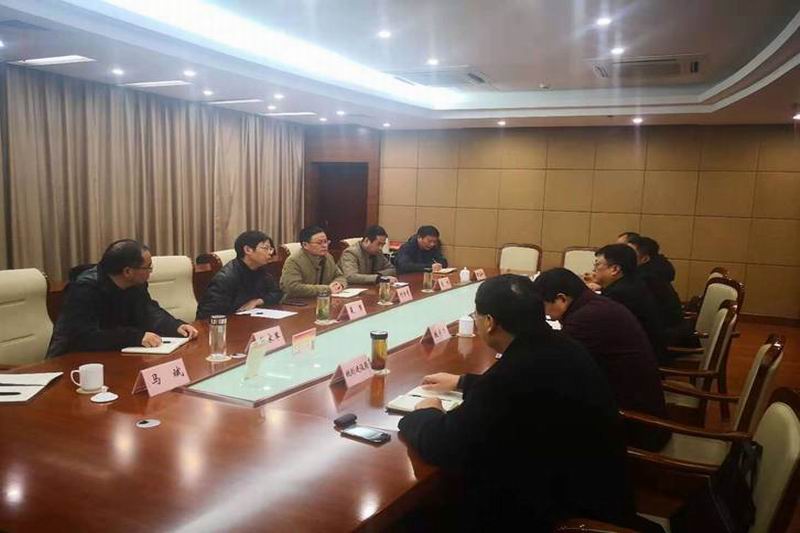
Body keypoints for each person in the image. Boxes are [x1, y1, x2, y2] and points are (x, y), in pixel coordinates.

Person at [399, 274, 638, 531]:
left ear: (489, 322)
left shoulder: (511, 375)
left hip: (559, 514)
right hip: (595, 489)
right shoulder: (560, 346)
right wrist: (463, 382)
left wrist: (426, 413)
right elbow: (526, 393)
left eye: (477, 315)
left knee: (414, 518)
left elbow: (445, 445)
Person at [532, 268, 670, 451]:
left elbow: (552, 366)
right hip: (635, 408)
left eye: (543, 306)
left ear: (561, 299)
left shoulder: (586, 318)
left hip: (633, 425)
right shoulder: (595, 305)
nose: (544, 314)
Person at [46, 239, 198, 357]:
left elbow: (148, 310)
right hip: (74, 361)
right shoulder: (85, 289)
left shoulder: (136, 284)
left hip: (115, 355)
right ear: (127, 272)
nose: (151, 271)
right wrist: (135, 337)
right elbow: (84, 336)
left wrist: (175, 326)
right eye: (148, 267)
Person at [593, 244, 667, 361]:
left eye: (597, 264)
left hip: (636, 360)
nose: (594, 269)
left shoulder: (620, 294)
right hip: (642, 353)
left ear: (615, 269)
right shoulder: (630, 284)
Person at [196, 230, 283, 319]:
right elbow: (207, 316)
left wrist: (258, 301)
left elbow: (277, 294)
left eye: (270, 249)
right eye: (265, 248)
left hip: (251, 321)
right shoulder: (225, 278)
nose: (270, 253)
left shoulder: (261, 270)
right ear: (248, 250)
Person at [279, 225, 347, 298]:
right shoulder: (293, 261)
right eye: (319, 243)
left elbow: (339, 276)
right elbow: (293, 288)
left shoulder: (328, 257)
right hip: (298, 301)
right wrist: (326, 289)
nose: (324, 245)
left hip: (323, 298)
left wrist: (338, 284)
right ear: (305, 245)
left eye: (326, 242)